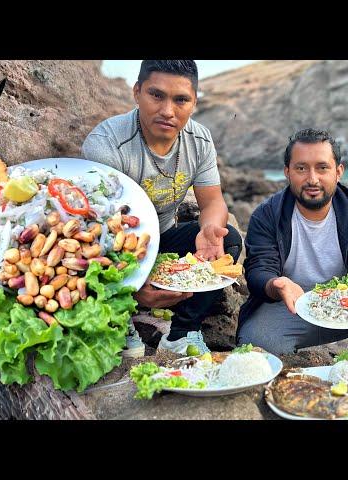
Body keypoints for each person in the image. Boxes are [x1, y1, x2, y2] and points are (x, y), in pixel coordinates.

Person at [82, 60, 243, 357]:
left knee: (229, 239)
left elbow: (212, 202)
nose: (168, 111)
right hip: (114, 245)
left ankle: (181, 334)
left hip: (162, 238)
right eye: (157, 95)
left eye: (181, 99)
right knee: (85, 254)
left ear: (194, 102)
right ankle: (120, 317)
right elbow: (94, 231)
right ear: (137, 92)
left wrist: (209, 229)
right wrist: (132, 284)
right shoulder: (107, 144)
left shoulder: (200, 140)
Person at [237, 128, 348, 370]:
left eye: (322, 168)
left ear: (338, 172)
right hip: (292, 306)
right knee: (254, 341)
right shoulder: (268, 214)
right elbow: (259, 269)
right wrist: (275, 284)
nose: (312, 179)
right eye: (301, 168)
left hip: (346, 305)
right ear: (287, 172)